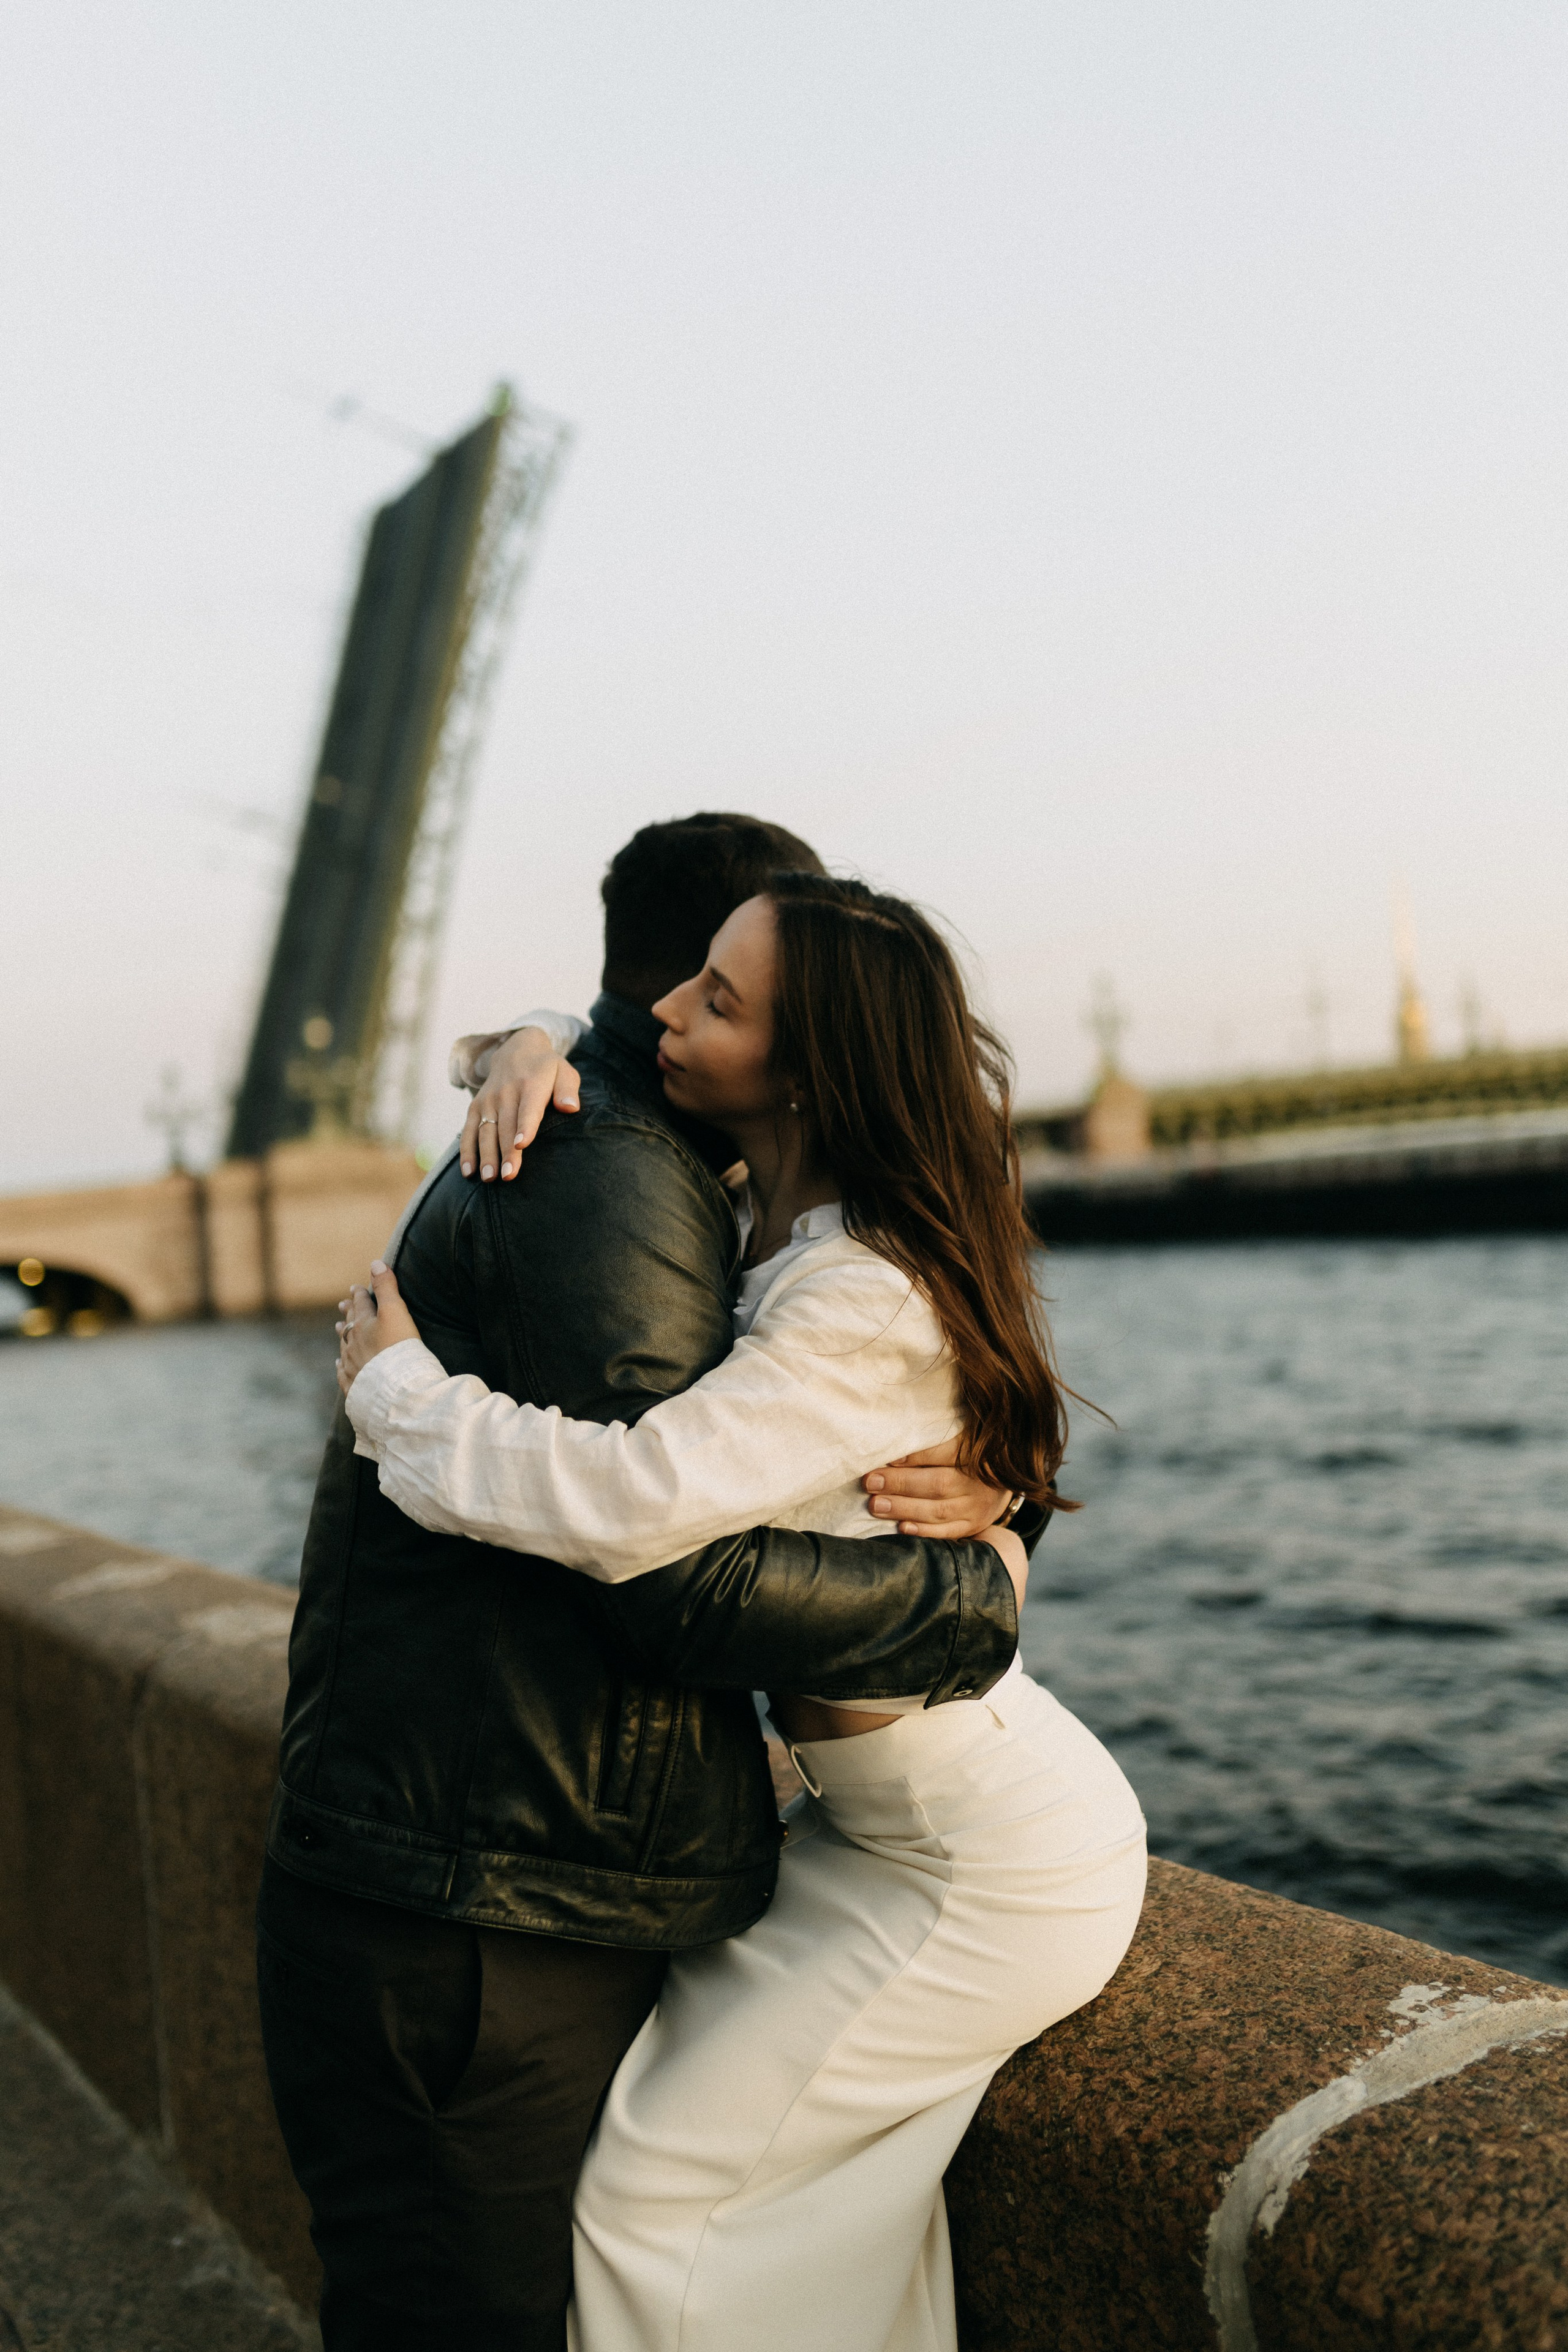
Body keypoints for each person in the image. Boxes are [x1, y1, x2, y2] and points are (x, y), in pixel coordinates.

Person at [337, 870, 1148, 2352]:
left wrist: (400, 1400)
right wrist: (526, 1041)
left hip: (981, 1861)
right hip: (858, 1837)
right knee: (787, 2212)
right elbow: (575, 1031)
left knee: (660, 2205)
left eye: (716, 998)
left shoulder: (860, 1290)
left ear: (809, 1070)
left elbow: (638, 1503)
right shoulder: (758, 1214)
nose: (666, 1010)